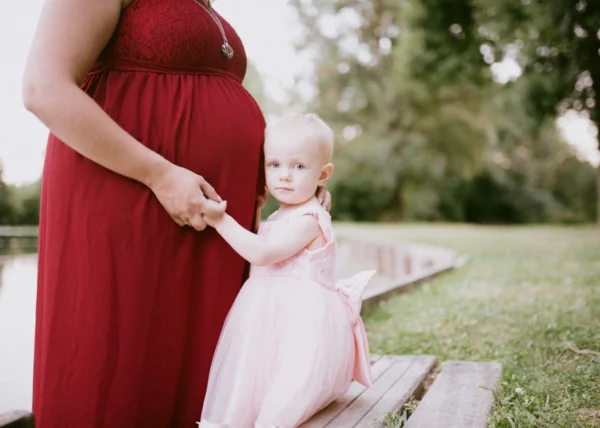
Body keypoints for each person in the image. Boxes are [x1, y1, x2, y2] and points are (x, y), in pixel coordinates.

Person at [22, 1, 330, 427]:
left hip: (205, 220)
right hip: (128, 200)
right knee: (121, 366)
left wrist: (293, 187)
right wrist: (160, 175)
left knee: (201, 369)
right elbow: (43, 88)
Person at [198, 113, 374, 428]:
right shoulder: (282, 215)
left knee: (287, 387)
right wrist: (255, 210)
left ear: (324, 174)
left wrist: (218, 219)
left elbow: (262, 253)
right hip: (268, 315)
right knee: (256, 374)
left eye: (299, 166)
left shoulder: (310, 219)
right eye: (274, 165)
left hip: (301, 322)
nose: (285, 176)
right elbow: (261, 240)